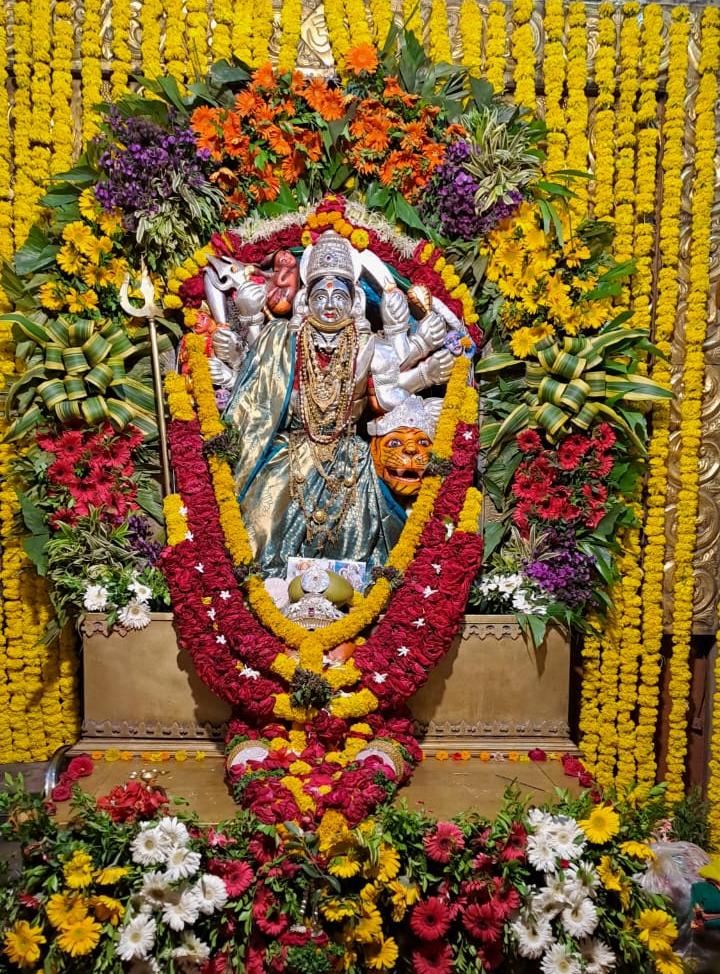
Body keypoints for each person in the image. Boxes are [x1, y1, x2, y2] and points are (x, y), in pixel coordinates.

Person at [219, 230, 453, 575]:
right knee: (260, 525)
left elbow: (389, 400)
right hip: (289, 452)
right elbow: (257, 391)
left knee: (360, 533)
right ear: (305, 300)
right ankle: (268, 588)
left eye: (339, 296)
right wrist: (250, 318)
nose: (330, 305)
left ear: (355, 301)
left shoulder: (372, 347)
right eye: (321, 295)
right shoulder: (283, 339)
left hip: (349, 457)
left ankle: (350, 592)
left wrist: (426, 374)